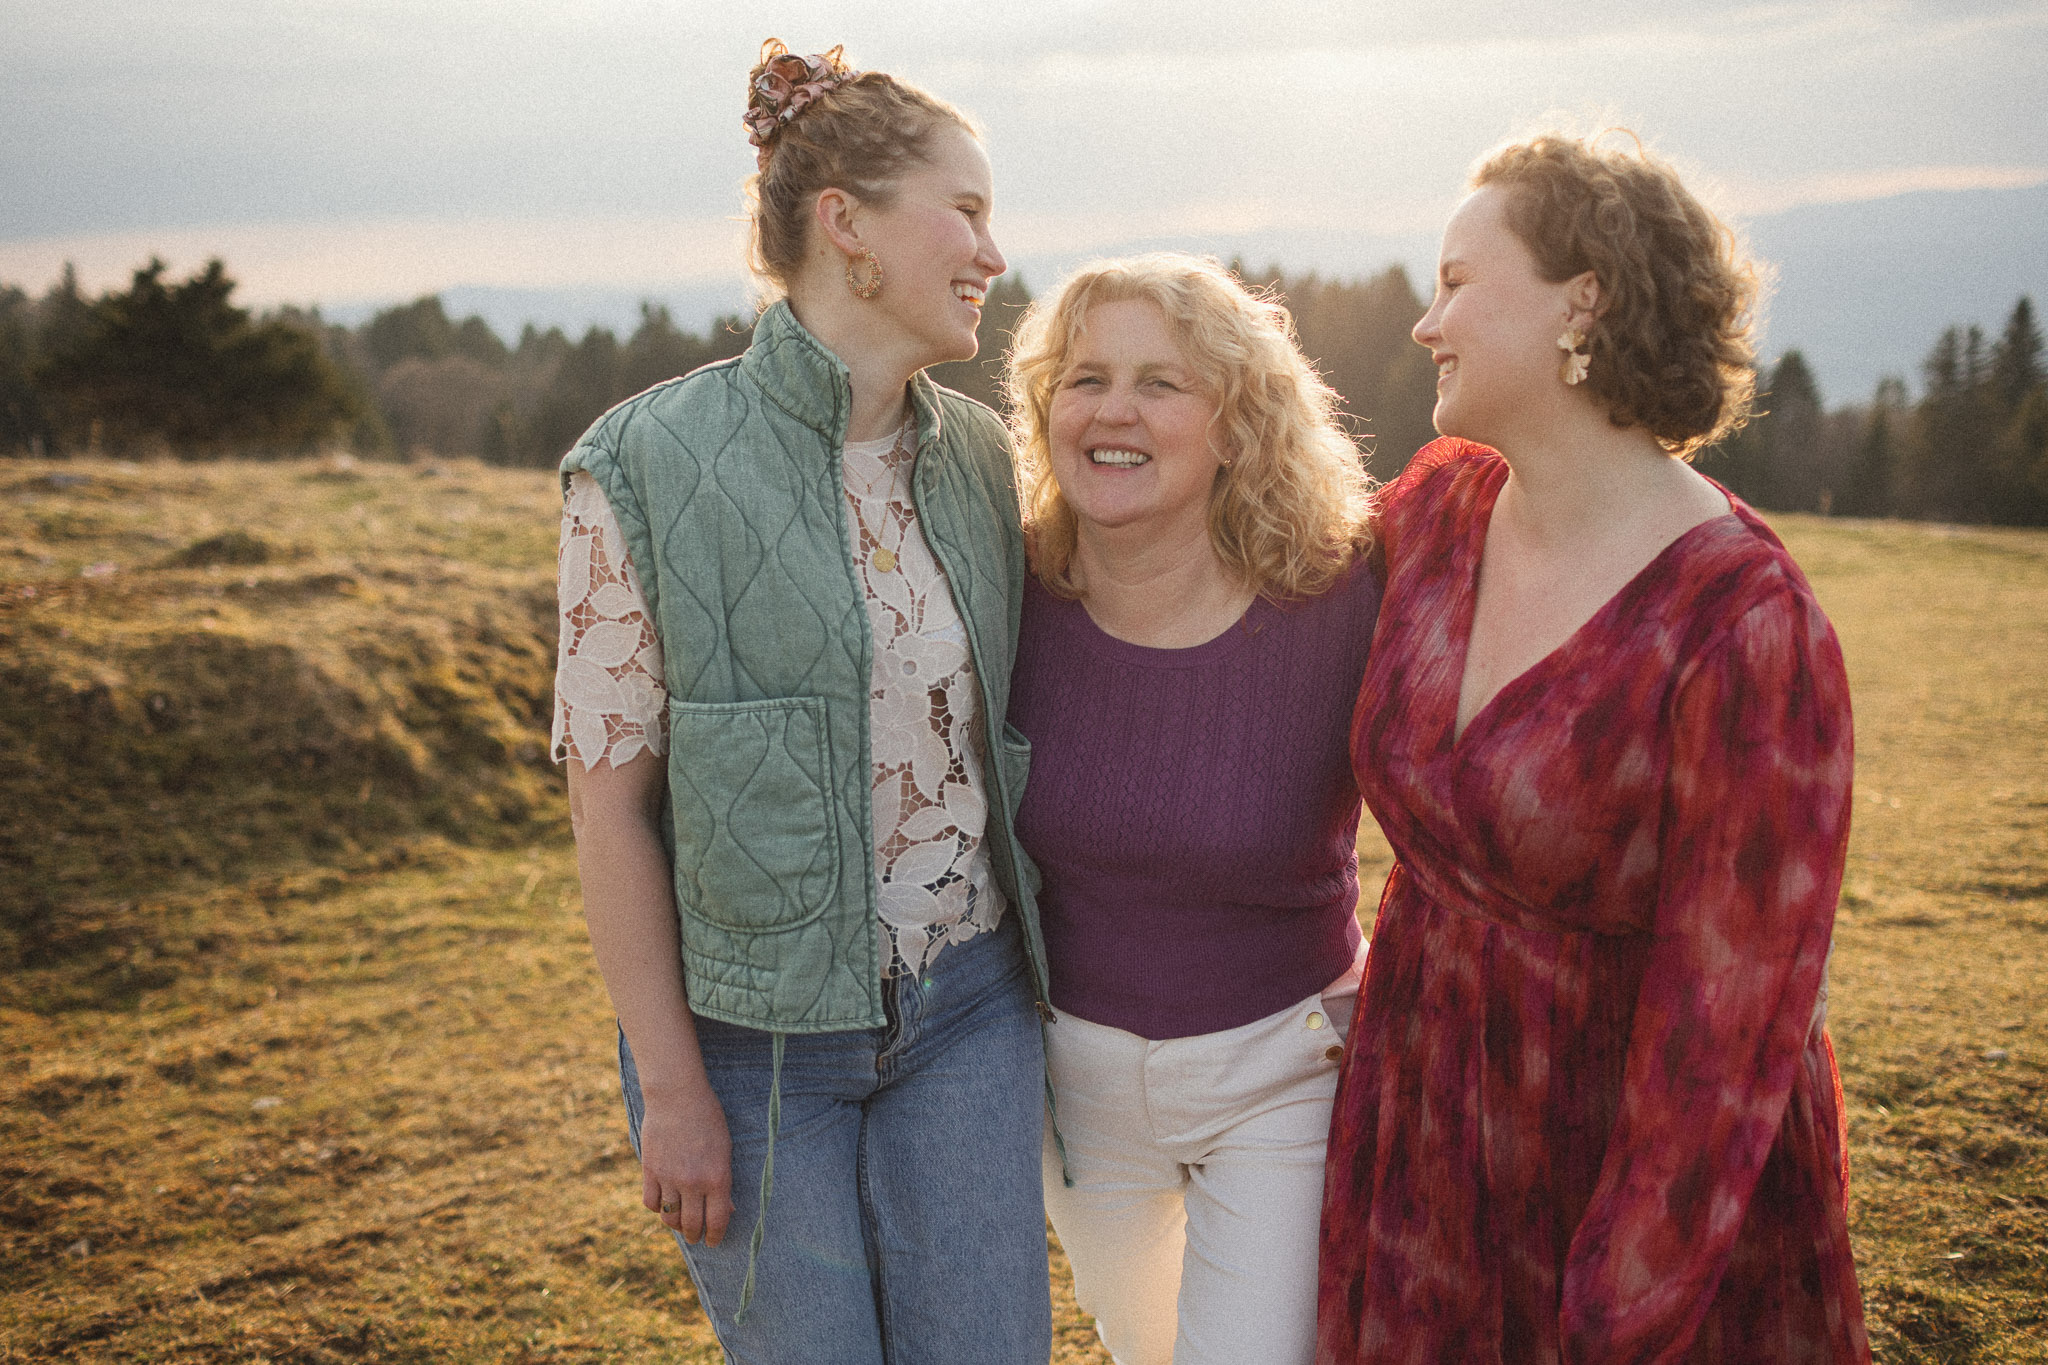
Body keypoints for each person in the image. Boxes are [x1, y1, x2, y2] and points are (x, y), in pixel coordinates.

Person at [1316, 132, 1870, 1364]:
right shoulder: (1438, 512)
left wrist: (1620, 1306)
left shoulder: (1742, 622)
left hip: (1617, 1176)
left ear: (1585, 298)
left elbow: (1732, 1025)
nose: (1424, 323)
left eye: (1457, 281)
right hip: (1415, 1133)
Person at [551, 40, 1053, 1364]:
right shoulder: (641, 465)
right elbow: (610, 814)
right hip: (753, 1058)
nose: (995, 253)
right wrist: (672, 1087)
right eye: (969, 209)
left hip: (973, 1017)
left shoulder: (989, 464)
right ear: (849, 226)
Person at [1003, 252, 1382, 1365]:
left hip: (1277, 1075)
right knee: (1147, 1350)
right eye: (1084, 380)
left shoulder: (1342, 596)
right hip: (1072, 1098)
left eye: (1160, 384)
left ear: (1235, 423)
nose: (1113, 411)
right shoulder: (1003, 588)